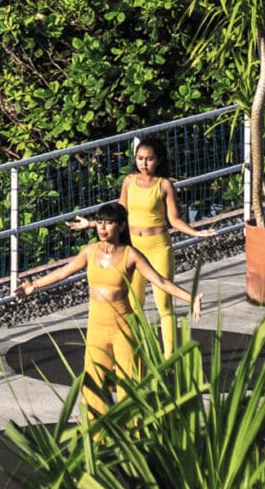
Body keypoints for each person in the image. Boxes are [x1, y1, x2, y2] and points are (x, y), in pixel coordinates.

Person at [18, 203, 200, 396]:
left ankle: (134, 426)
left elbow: (161, 282)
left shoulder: (131, 255)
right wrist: (34, 285)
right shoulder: (90, 251)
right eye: (99, 223)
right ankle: (96, 426)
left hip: (124, 328)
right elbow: (63, 272)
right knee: (93, 387)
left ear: (121, 226)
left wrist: (192, 298)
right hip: (96, 328)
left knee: (129, 386)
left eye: (109, 223)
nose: (102, 228)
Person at [71, 138, 212, 352]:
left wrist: (196, 232)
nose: (144, 163)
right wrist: (91, 223)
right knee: (134, 304)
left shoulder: (164, 185)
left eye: (149, 159)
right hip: (133, 248)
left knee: (164, 304)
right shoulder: (129, 181)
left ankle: (168, 357)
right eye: (140, 159)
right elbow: (118, 215)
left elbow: (174, 219)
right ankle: (133, 352)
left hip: (158, 247)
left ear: (158, 160)